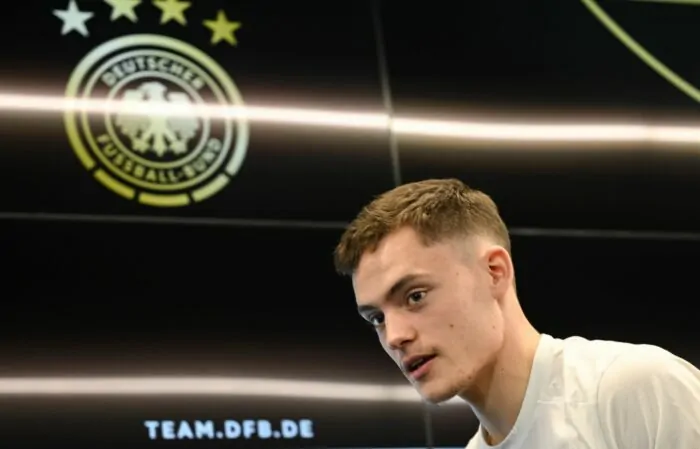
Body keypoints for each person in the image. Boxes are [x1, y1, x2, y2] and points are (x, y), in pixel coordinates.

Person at [333, 178, 700, 448]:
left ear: (494, 272)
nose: (395, 336)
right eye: (377, 318)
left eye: (415, 296)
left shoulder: (630, 387)